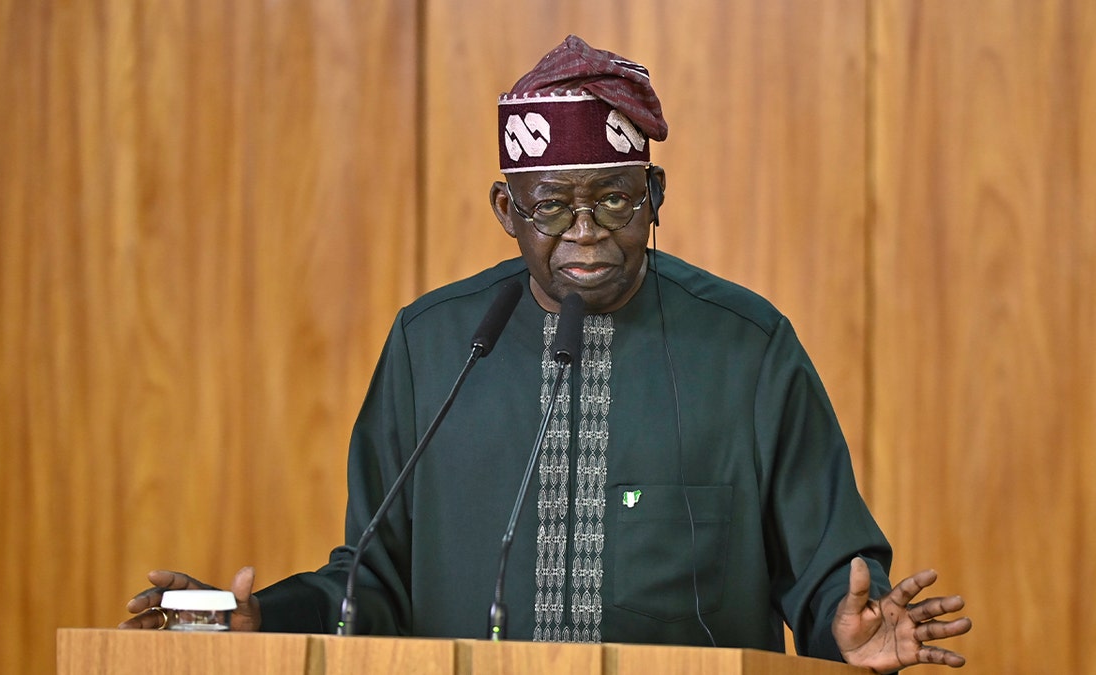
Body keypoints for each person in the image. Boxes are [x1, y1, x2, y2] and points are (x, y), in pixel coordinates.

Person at [122, 35, 971, 672]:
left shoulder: (748, 348)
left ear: (656, 197)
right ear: (506, 208)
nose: (587, 229)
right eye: (551, 205)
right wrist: (250, 616)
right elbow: (372, 582)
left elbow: (828, 572)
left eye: (614, 198)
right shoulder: (434, 347)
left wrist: (845, 627)